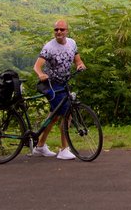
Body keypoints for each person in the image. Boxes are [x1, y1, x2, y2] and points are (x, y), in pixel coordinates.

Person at [31, 19, 86, 160]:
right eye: (56, 30)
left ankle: (40, 146)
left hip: (64, 84)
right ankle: (64, 149)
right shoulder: (49, 47)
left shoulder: (72, 43)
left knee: (54, 116)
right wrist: (41, 74)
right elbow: (37, 66)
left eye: (62, 29)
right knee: (67, 115)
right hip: (52, 86)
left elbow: (78, 60)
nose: (59, 32)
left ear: (67, 31)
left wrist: (80, 65)